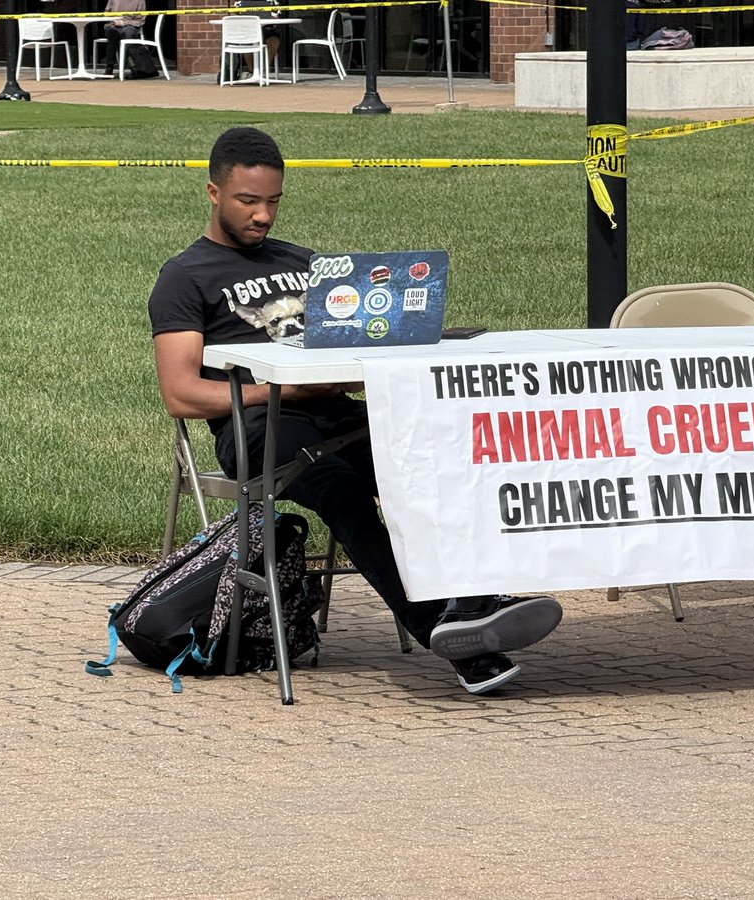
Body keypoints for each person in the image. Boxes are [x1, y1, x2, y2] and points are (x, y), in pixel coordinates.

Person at [148, 127, 564, 695]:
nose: (263, 215)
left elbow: (356, 345)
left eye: (273, 201)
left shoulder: (307, 264)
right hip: (258, 429)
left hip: (338, 411)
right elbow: (181, 393)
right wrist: (282, 392)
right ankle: (447, 631)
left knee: (438, 463)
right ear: (213, 193)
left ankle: (473, 602)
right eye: (248, 201)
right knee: (342, 490)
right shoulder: (185, 276)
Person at [102, 0, 157, 79]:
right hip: (114, 24)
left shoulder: (140, 1)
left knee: (128, 33)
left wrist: (124, 23)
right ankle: (109, 67)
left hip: (130, 25)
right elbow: (106, 13)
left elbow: (140, 20)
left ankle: (135, 68)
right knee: (110, 32)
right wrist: (114, 21)